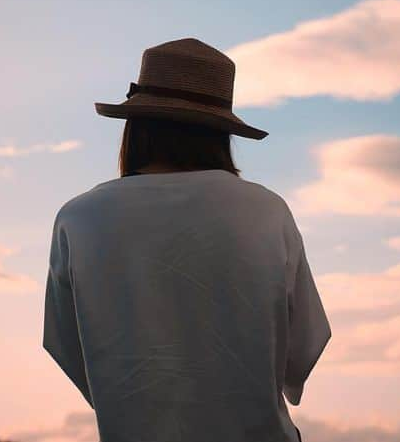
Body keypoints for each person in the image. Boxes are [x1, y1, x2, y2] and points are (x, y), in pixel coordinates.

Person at [43, 37, 331, 442]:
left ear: (136, 125)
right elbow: (302, 352)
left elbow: (67, 350)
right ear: (221, 133)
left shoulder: (78, 218)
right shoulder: (266, 211)